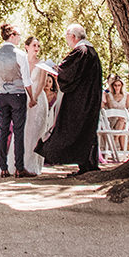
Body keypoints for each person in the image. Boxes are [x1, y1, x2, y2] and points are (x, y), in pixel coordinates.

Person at [35, 23, 104, 175]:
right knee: (87, 131)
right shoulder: (90, 51)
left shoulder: (81, 51)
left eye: (67, 36)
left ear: (73, 36)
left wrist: (55, 70)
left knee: (76, 130)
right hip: (89, 99)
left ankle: (86, 165)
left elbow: (66, 72)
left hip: (80, 101)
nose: (67, 39)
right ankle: (87, 165)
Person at [0, 23, 32, 177]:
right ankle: (19, 168)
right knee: (18, 132)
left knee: (3, 130)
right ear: (12, 35)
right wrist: (32, 97)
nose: (20, 38)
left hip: (3, 95)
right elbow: (26, 80)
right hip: (18, 95)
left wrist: (2, 89)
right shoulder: (19, 54)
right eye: (18, 35)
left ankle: (3, 167)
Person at [22, 35, 51, 175]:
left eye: (38, 46)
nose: (37, 48)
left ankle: (32, 165)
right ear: (26, 47)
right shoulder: (22, 62)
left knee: (36, 131)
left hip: (38, 100)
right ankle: (20, 163)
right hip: (24, 98)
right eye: (34, 45)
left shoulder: (42, 64)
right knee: (24, 130)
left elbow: (41, 82)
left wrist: (34, 98)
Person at [103, 73, 129, 154]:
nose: (117, 87)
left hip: (123, 119)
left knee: (122, 121)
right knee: (122, 123)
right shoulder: (109, 95)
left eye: (119, 85)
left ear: (121, 86)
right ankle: (122, 151)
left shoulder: (127, 95)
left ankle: (115, 141)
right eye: (115, 85)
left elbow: (128, 108)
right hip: (112, 119)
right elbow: (110, 108)